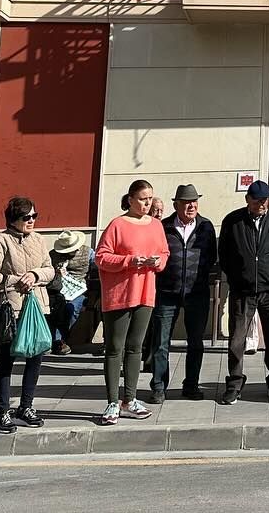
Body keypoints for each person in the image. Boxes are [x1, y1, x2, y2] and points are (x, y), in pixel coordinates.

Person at [94, 178, 169, 426]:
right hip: (119, 293)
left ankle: (130, 399)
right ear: (130, 199)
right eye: (142, 199)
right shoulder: (117, 225)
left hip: (145, 293)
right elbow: (102, 257)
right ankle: (112, 401)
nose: (147, 203)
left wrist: (157, 262)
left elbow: (164, 252)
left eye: (150, 199)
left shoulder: (156, 225)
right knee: (115, 348)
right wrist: (128, 261)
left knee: (136, 347)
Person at [0, 196, 55, 434]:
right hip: (11, 309)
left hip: (37, 307)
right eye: (26, 217)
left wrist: (35, 275)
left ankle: (26, 407)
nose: (31, 221)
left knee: (36, 357)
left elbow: (49, 269)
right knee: (7, 360)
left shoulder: (39, 240)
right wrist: (15, 281)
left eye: (34, 216)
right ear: (14, 219)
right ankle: (2, 411)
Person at [219, 179, 269, 403]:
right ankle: (235, 383)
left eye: (265, 200)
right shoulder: (233, 221)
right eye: (258, 200)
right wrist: (237, 276)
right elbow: (225, 255)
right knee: (237, 339)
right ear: (247, 199)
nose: (262, 204)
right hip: (243, 289)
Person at [150, 183, 216, 403]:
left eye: (194, 201)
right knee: (161, 342)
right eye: (187, 202)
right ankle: (159, 386)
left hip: (196, 292)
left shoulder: (206, 226)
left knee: (196, 342)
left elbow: (212, 257)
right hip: (167, 292)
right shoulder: (163, 226)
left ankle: (191, 385)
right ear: (176, 204)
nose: (191, 206)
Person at [47, 230, 90, 355]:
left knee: (70, 309)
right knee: (54, 308)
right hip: (57, 289)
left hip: (79, 291)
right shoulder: (52, 255)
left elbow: (96, 271)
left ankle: (59, 340)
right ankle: (57, 341)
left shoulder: (88, 253)